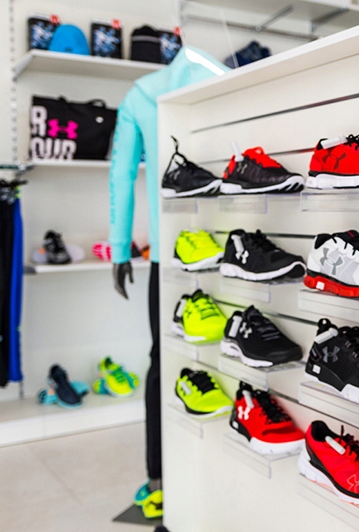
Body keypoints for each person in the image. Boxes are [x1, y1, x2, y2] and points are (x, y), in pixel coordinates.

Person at [108, 46, 228, 519]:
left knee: (165, 361)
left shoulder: (142, 93)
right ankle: (212, 475)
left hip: (169, 252)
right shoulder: (231, 79)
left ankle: (161, 482)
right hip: (234, 243)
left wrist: (120, 249)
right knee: (225, 359)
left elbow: (121, 176)